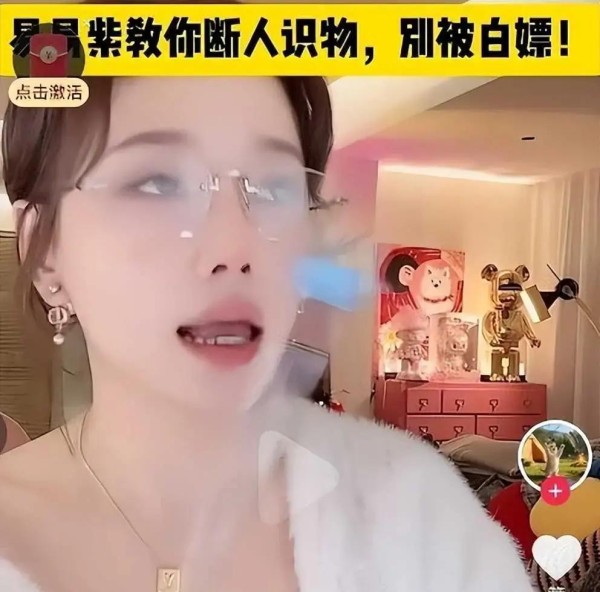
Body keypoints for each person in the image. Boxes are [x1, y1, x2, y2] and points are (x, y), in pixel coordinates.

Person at [0, 8, 534, 592]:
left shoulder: (419, 521)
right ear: (44, 251)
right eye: (158, 183)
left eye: (275, 187)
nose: (236, 247)